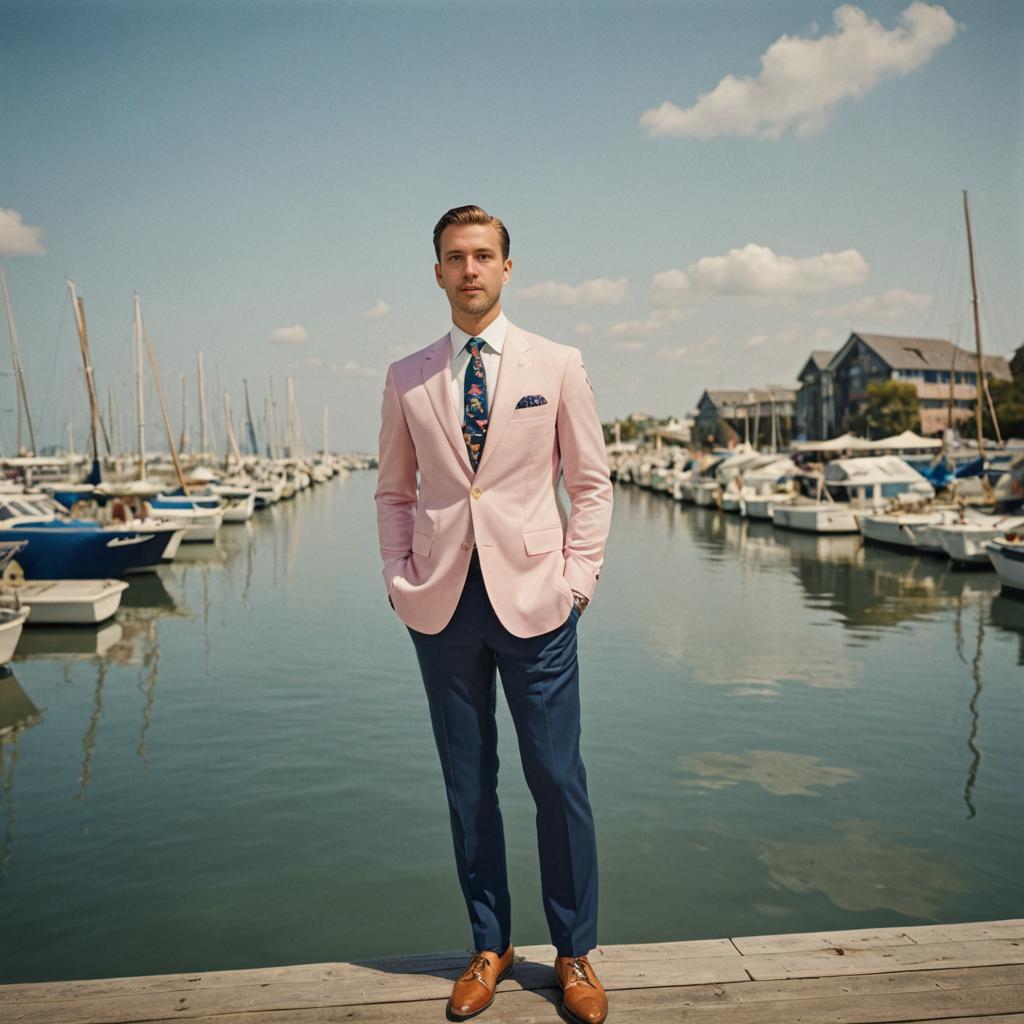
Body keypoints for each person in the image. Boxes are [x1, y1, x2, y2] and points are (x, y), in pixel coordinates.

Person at [374, 205, 613, 1023]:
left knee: (557, 779)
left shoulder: (559, 362)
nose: (469, 269)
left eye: (483, 256)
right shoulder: (406, 376)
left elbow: (591, 484)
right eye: (454, 257)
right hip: (441, 605)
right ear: (436, 272)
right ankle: (491, 944)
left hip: (539, 602)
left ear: (507, 269)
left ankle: (574, 952)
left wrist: (577, 582)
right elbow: (393, 490)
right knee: (468, 784)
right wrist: (395, 577)